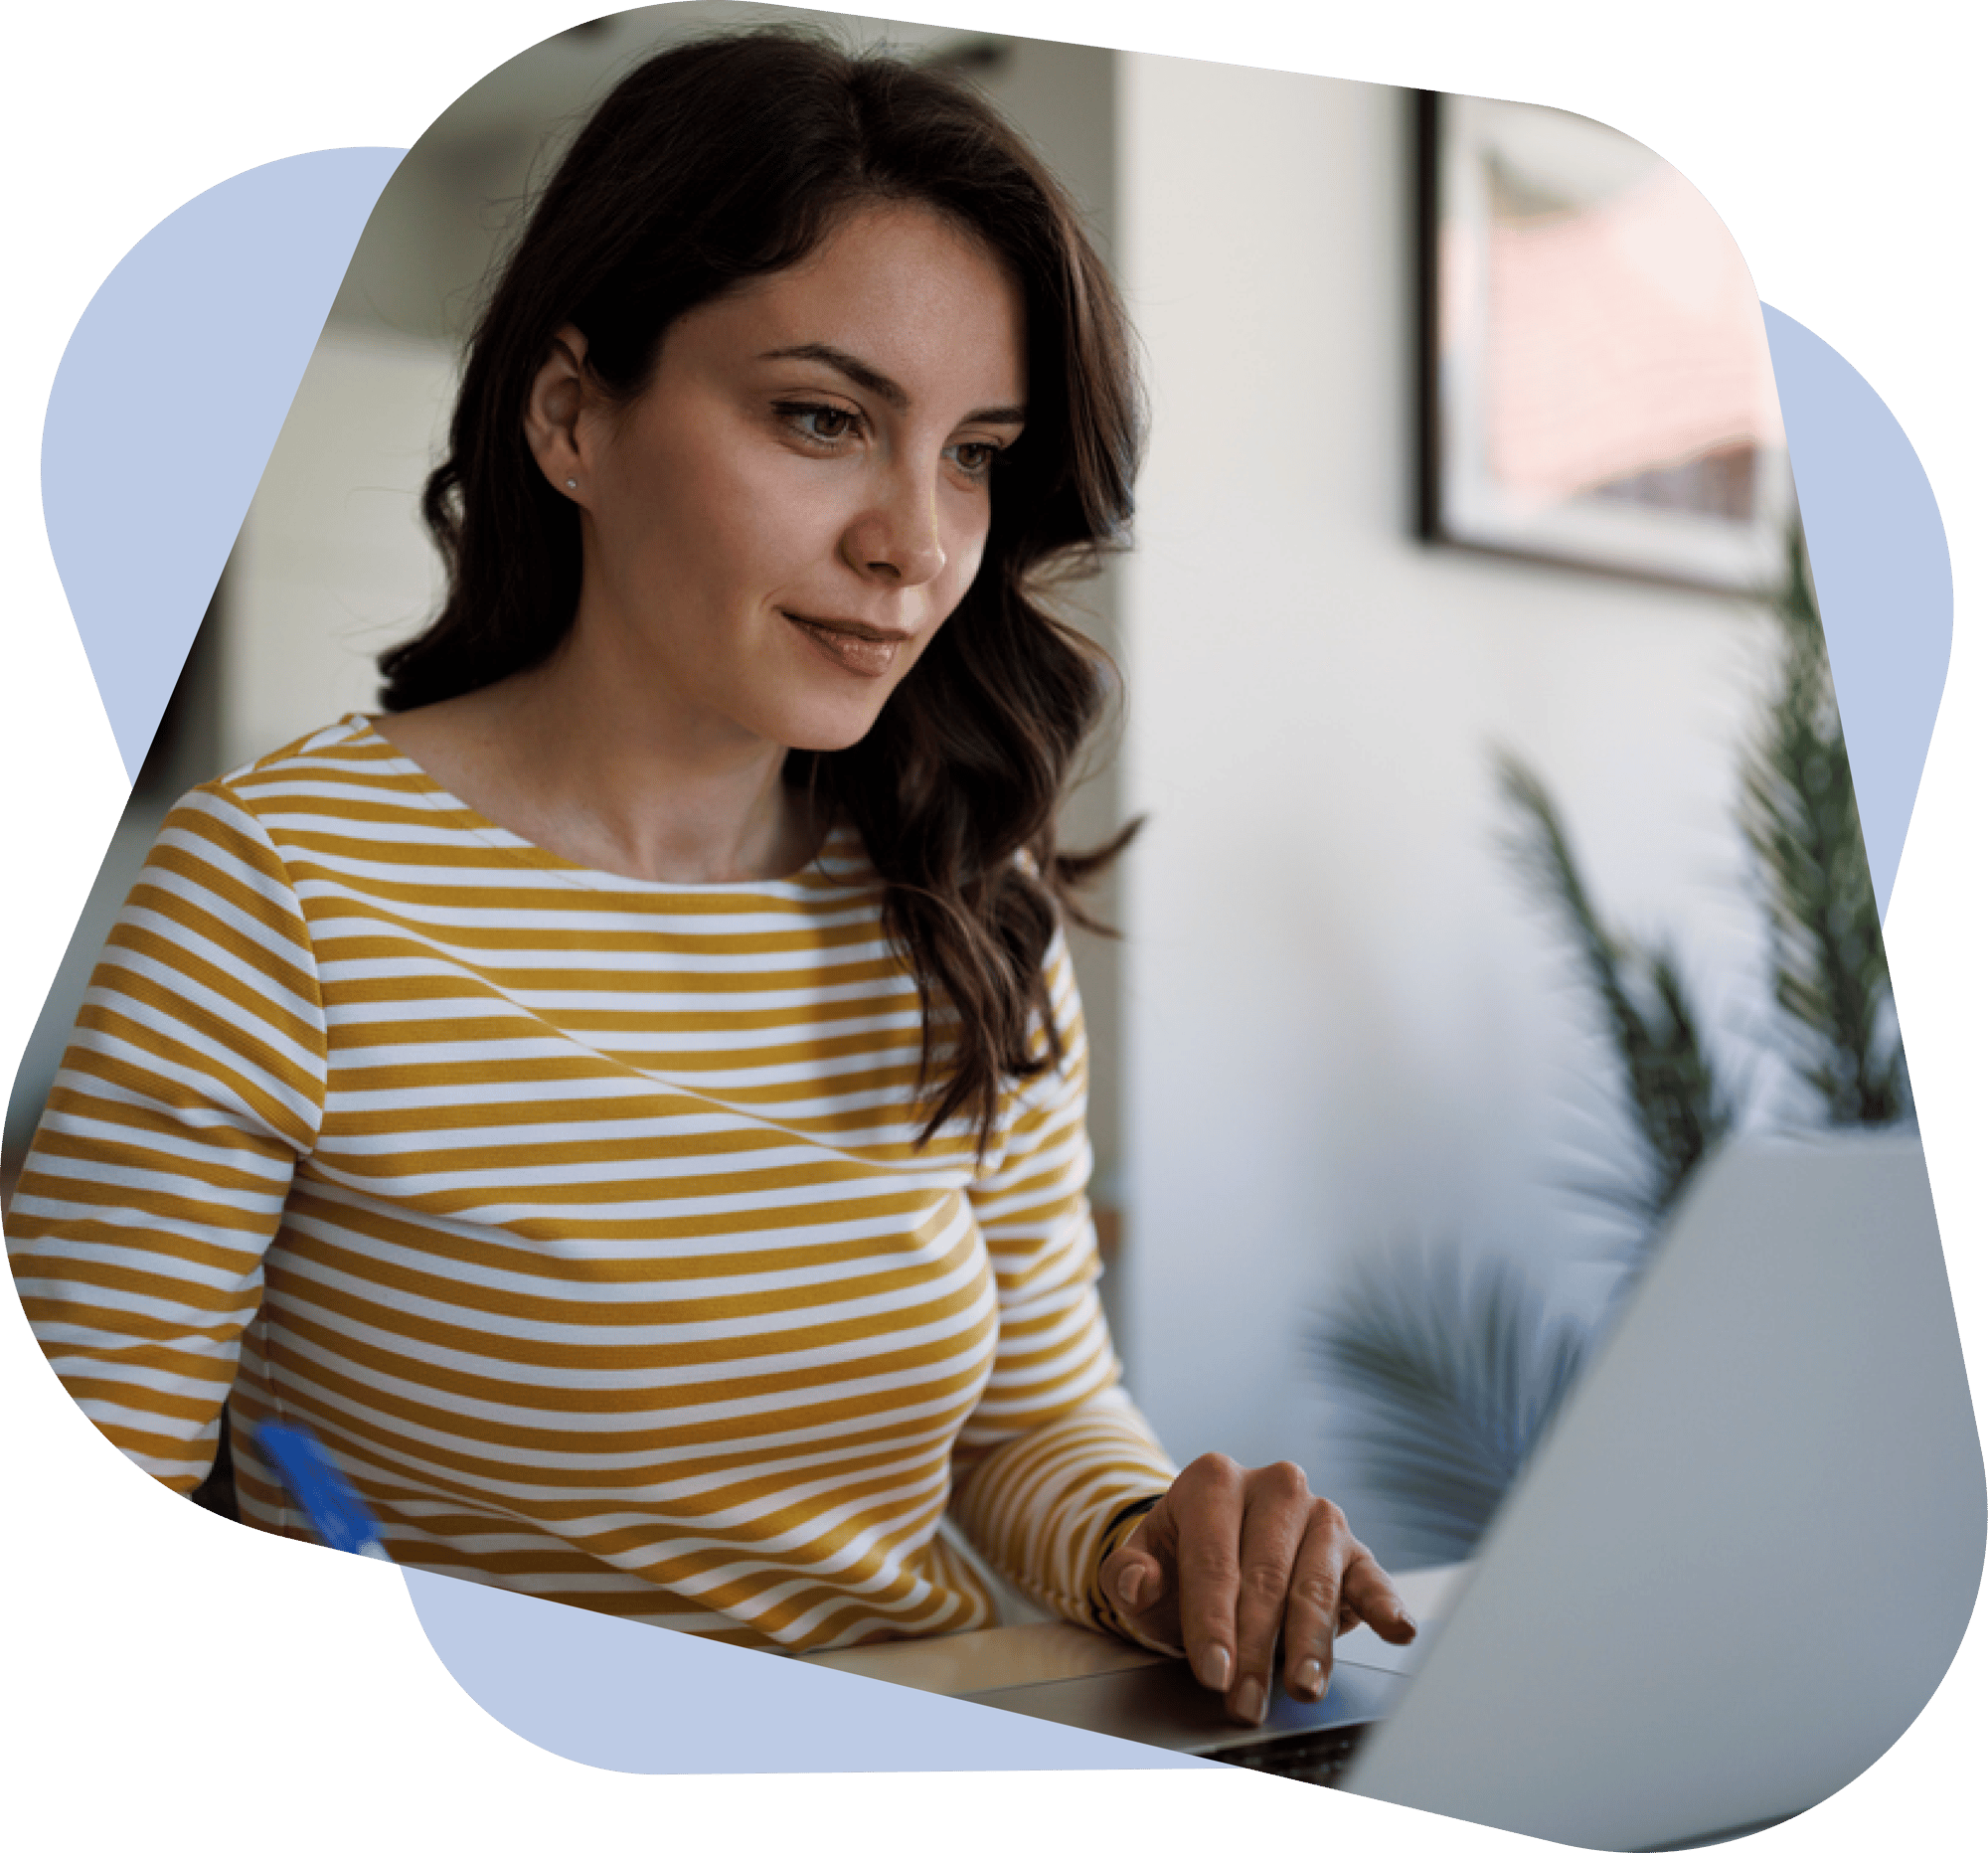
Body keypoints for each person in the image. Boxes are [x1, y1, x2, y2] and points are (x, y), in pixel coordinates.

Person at [6, 28, 1412, 1728]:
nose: (916, 541)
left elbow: (1028, 1421)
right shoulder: (276, 896)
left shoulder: (964, 903)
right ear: (572, 416)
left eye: (974, 451)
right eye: (824, 419)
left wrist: (1138, 1542)